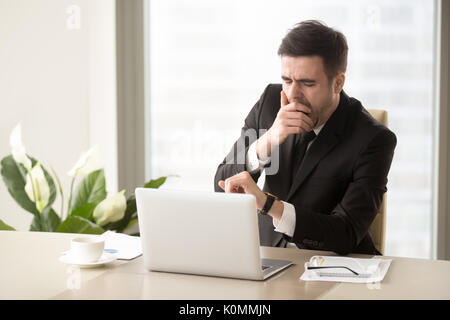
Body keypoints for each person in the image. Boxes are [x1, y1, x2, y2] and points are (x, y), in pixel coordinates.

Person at [214, 20, 397, 255]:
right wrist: (269, 140)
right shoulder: (270, 102)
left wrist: (269, 204)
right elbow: (222, 185)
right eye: (287, 80)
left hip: (334, 266)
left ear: (338, 83)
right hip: (267, 257)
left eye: (307, 83)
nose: (292, 95)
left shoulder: (374, 139)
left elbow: (347, 233)